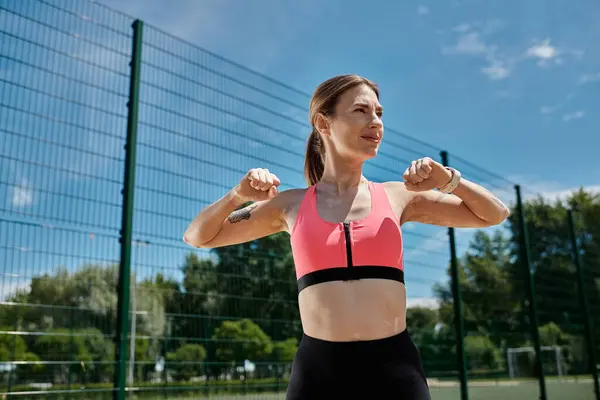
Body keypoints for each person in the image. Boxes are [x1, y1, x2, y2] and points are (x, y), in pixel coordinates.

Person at [183, 74, 510, 399]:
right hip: (318, 374)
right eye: (361, 111)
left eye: (380, 113)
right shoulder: (290, 205)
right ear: (324, 124)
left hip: (395, 370)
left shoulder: (398, 196)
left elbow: (494, 214)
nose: (376, 122)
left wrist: (448, 180)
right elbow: (199, 236)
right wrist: (237, 196)